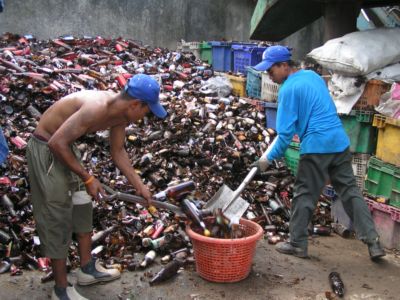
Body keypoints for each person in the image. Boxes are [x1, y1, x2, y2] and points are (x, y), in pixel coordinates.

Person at [27, 74, 167, 300]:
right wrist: (88, 178)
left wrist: (139, 185)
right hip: (46, 149)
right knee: (58, 216)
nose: (144, 117)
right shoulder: (96, 107)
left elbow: (118, 151)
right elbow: (55, 143)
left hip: (66, 148)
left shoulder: (121, 116)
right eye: (146, 111)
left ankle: (86, 269)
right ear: (134, 104)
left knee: (82, 206)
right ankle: (61, 289)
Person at [251, 45, 385, 260]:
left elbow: (285, 135)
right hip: (339, 142)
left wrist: (265, 160)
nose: (269, 74)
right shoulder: (312, 76)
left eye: (271, 70)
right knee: (350, 192)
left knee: (304, 194)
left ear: (284, 65)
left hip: (316, 147)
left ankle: (297, 244)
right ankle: (373, 242)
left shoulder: (288, 89)